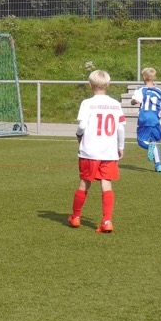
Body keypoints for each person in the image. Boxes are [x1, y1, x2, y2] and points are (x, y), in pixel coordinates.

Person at [68, 70, 125, 234]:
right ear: (108, 85)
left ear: (90, 85)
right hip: (108, 152)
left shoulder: (87, 103)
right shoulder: (115, 104)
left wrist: (78, 135)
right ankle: (107, 221)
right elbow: (120, 128)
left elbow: (82, 126)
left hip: (89, 152)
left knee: (84, 183)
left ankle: (76, 217)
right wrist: (121, 146)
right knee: (106, 184)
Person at [131, 67, 161, 173]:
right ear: (154, 78)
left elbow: (135, 101)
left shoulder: (140, 90)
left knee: (141, 141)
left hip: (145, 118)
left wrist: (133, 101)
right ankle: (158, 165)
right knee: (154, 142)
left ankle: (149, 147)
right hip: (156, 119)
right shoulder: (160, 92)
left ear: (143, 78)